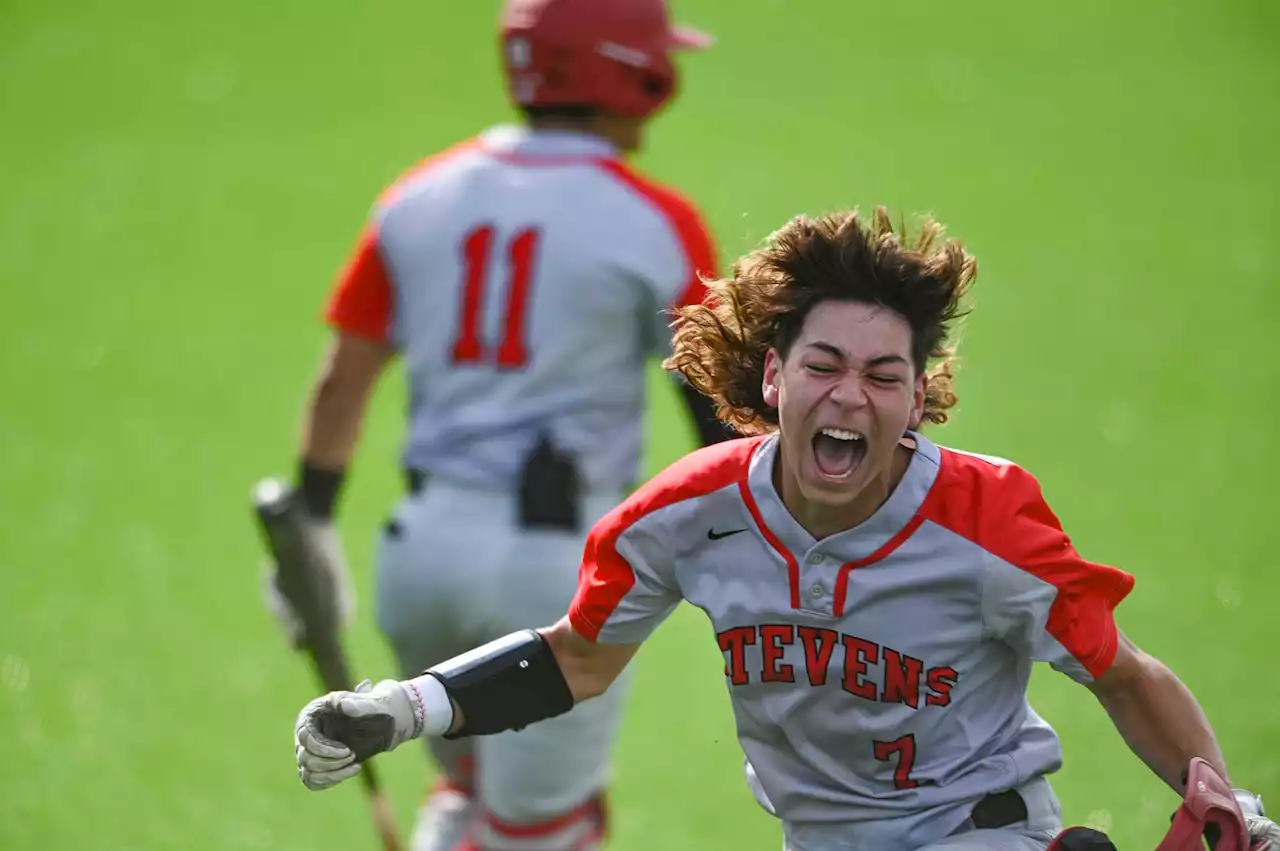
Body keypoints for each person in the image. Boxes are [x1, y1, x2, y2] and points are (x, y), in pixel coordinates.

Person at [290, 207, 1280, 851]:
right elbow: (573, 658)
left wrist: (1225, 803)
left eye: (883, 374)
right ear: (771, 376)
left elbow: (1120, 671)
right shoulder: (689, 513)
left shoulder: (986, 519)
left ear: (917, 398)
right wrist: (401, 706)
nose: (849, 393)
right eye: (822, 364)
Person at [263, 0, 733, 848]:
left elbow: (343, 380)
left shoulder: (417, 196)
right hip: (555, 571)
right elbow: (725, 422)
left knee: (467, 785)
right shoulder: (656, 218)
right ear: (632, 72)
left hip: (419, 556)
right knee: (544, 830)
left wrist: (314, 526)